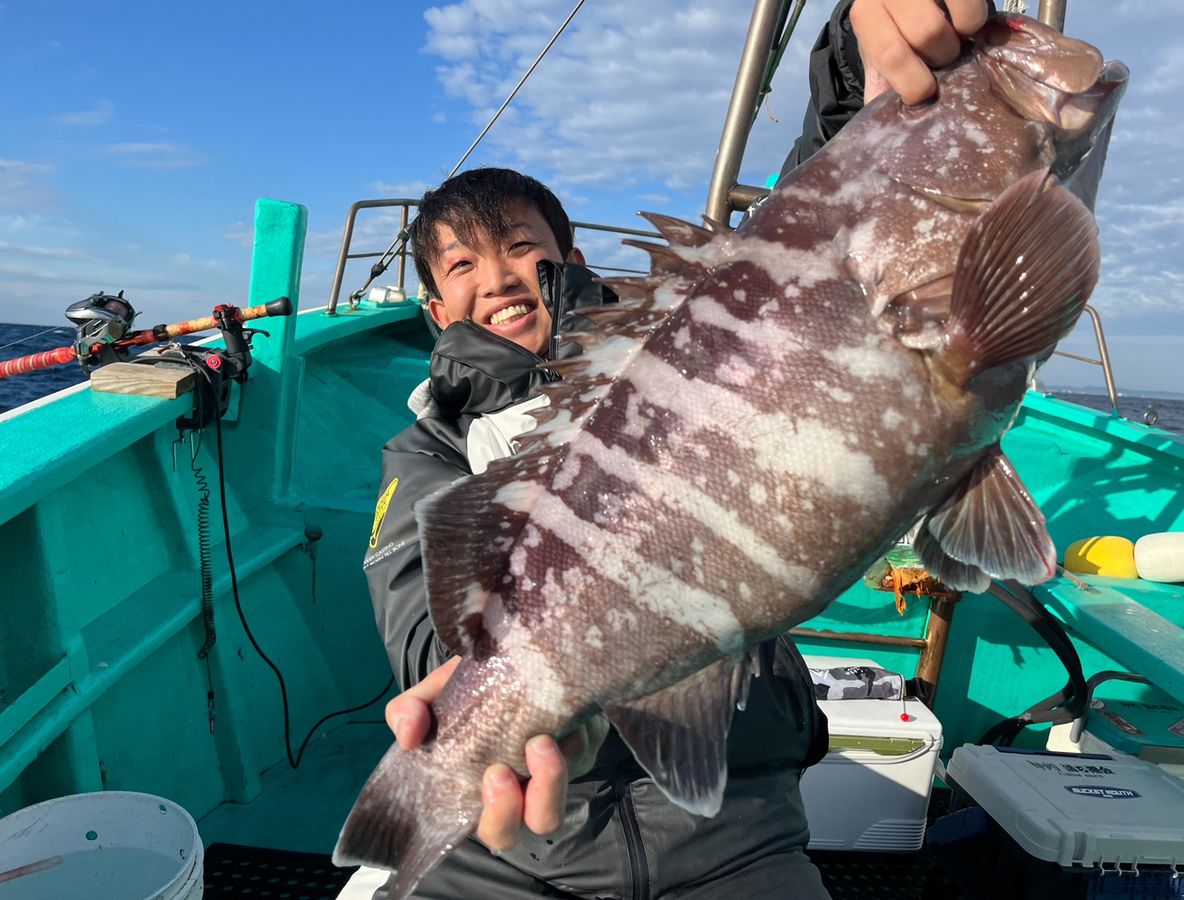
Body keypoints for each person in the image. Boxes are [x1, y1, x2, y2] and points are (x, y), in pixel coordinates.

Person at [340, 1, 991, 897]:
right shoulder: (423, 451)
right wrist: (506, 701)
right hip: (520, 841)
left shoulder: (689, 344)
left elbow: (806, 252)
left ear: (566, 259)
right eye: (461, 267)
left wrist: (856, 53)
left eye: (520, 249)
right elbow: (424, 636)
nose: (496, 278)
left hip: (737, 816)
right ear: (435, 311)